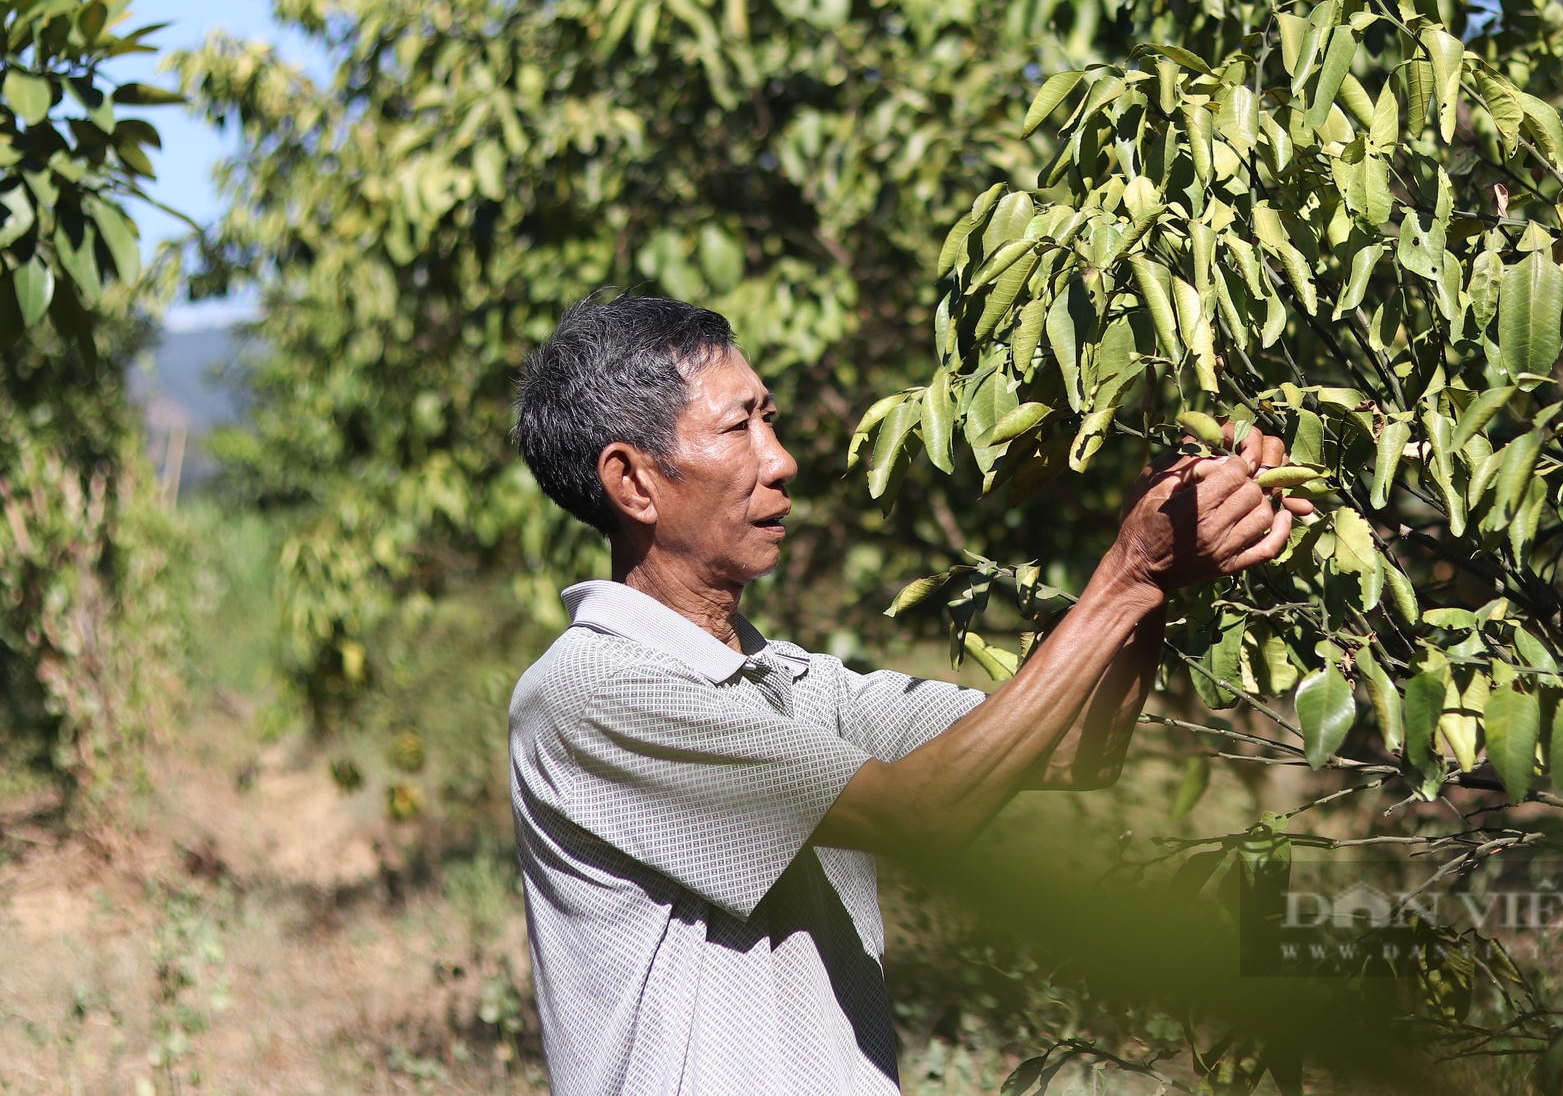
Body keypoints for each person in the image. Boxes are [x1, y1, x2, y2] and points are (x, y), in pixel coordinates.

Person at [508, 294, 1310, 1095]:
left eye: (771, 419)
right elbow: (920, 811)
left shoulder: (784, 680)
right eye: (738, 427)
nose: (780, 459)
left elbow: (1074, 749)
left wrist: (1161, 566)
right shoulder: (593, 690)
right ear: (633, 482)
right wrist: (1130, 570)